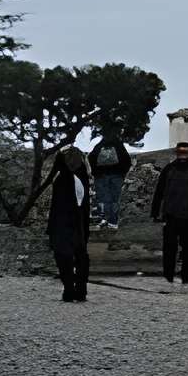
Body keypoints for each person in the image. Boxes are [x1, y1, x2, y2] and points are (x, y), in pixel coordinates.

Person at [148, 137, 188, 286]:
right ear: (177, 153)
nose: (183, 155)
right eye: (180, 152)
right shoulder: (169, 169)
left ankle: (186, 276)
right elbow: (159, 191)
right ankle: (168, 275)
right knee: (169, 246)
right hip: (170, 214)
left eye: (185, 152)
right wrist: (156, 212)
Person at [46, 146, 93, 303]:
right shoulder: (82, 177)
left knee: (65, 255)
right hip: (78, 222)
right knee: (79, 255)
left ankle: (70, 289)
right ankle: (79, 290)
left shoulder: (62, 179)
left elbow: (56, 206)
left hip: (64, 223)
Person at [89, 130, 131, 233]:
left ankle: (103, 219)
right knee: (115, 199)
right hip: (116, 176)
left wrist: (96, 172)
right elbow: (127, 160)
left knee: (102, 199)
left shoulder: (100, 145)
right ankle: (113, 222)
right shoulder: (119, 145)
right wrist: (122, 173)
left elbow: (91, 157)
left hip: (101, 176)